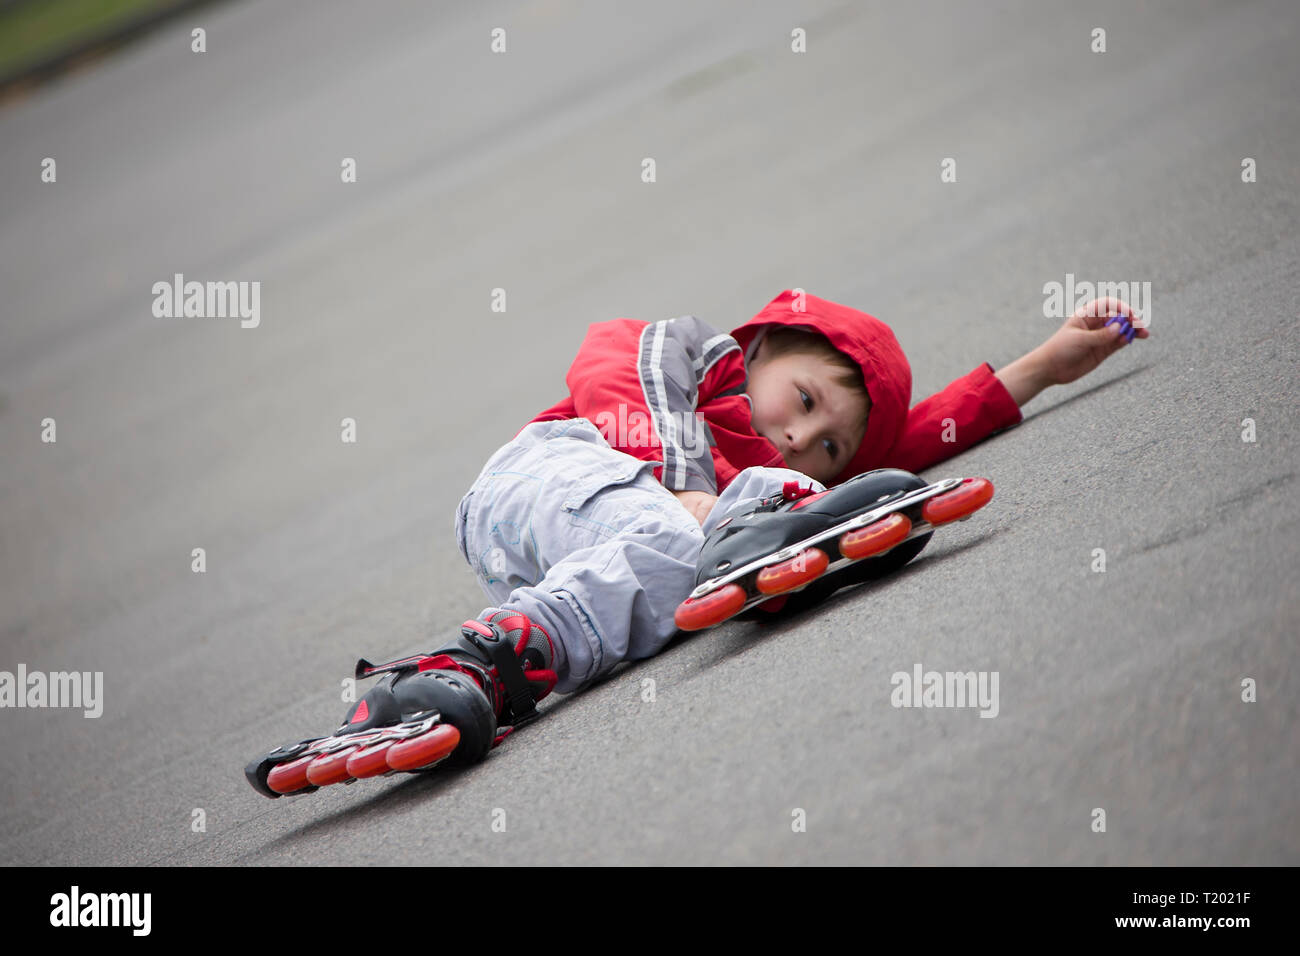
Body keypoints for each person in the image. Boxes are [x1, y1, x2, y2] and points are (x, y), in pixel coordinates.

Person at [353, 289, 1148, 765]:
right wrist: (687, 482)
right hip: (548, 473)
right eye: (802, 400)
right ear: (762, 346)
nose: (803, 436)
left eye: (828, 441)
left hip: (577, 552)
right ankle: (760, 533)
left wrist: (1041, 366)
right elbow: (617, 368)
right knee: (684, 532)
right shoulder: (700, 358)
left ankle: (485, 665)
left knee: (666, 572)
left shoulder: (771, 475)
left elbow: (902, 449)